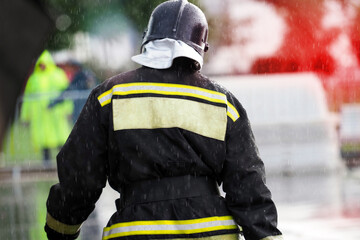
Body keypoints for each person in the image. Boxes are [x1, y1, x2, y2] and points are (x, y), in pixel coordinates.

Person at [44, 1, 283, 240]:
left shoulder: (110, 96)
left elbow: (80, 177)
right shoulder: (224, 103)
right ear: (201, 48)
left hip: (136, 231)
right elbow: (248, 186)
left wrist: (60, 228)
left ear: (148, 39)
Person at [20, 50, 73, 167]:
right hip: (41, 117)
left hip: (56, 114)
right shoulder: (33, 79)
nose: (42, 66)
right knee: (44, 142)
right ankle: (47, 165)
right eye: (40, 64)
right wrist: (25, 116)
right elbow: (27, 99)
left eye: (44, 64)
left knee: (61, 140)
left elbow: (66, 93)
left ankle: (66, 162)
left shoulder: (58, 75)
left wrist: (68, 109)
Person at [48, 60, 98, 124]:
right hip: (83, 111)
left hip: (83, 111)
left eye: (71, 67)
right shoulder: (81, 76)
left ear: (75, 67)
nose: (70, 70)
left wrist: (54, 103)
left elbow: (68, 91)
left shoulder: (82, 77)